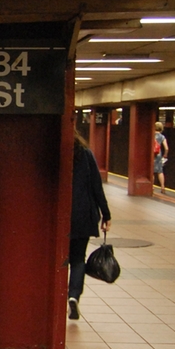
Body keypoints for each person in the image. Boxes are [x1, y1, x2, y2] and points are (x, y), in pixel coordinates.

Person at [69, 130, 111, 320]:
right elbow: (96, 186)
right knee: (78, 259)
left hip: (60, 214)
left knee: (57, 260)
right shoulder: (85, 154)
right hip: (83, 214)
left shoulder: (56, 153)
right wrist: (106, 214)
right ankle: (73, 295)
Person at [154, 121, 169, 193]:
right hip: (159, 155)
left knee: (151, 171)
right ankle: (162, 187)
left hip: (151, 154)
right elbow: (166, 148)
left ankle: (151, 187)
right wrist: (165, 155)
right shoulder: (162, 137)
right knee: (160, 171)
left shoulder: (151, 135)